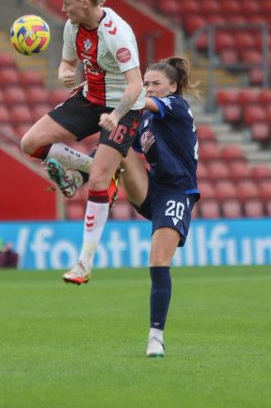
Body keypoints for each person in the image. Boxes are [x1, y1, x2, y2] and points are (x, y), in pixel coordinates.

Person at [36, 57, 201, 357]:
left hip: (176, 193)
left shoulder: (177, 106)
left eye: (155, 84)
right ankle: (77, 178)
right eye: (147, 83)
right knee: (118, 145)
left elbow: (139, 99)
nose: (149, 89)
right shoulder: (145, 119)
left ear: (173, 87)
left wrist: (120, 92)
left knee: (158, 260)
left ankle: (155, 336)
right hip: (150, 189)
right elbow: (116, 146)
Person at [19, 0, 148, 285]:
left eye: (67, 3)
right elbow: (68, 63)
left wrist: (116, 114)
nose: (63, 8)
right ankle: (91, 168)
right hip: (89, 99)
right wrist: (64, 71)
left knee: (100, 182)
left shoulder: (116, 33)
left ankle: (84, 264)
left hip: (124, 108)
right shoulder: (72, 27)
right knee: (30, 143)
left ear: (86, 3)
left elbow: (136, 85)